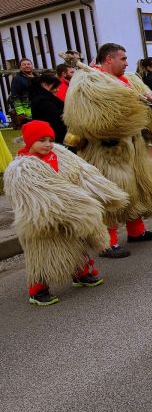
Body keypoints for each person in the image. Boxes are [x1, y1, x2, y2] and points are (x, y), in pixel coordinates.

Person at [63, 43, 152, 258]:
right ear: (109, 59)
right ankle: (107, 243)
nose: (127, 63)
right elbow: (85, 118)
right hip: (106, 150)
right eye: (123, 58)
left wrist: (151, 104)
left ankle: (137, 231)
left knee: (138, 188)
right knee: (110, 195)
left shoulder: (130, 80)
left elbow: (150, 104)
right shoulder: (87, 81)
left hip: (134, 147)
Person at [4, 120, 129, 305]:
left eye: (50, 139)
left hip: (74, 211)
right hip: (43, 217)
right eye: (41, 140)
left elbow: (84, 173)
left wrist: (104, 192)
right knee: (43, 254)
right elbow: (34, 195)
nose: (47, 144)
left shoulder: (61, 155)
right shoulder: (21, 169)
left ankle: (81, 273)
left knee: (77, 243)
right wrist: (68, 205)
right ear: (29, 142)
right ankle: (38, 289)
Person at [30, 72, 67, 143]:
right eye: (55, 87)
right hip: (52, 136)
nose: (57, 89)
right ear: (45, 85)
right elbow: (55, 116)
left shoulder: (45, 97)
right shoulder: (42, 100)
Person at [10, 58, 35, 126]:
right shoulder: (17, 79)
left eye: (28, 64)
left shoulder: (37, 77)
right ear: (20, 67)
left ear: (32, 66)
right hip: (26, 112)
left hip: (39, 108)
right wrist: (20, 112)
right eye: (24, 65)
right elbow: (15, 96)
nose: (27, 66)